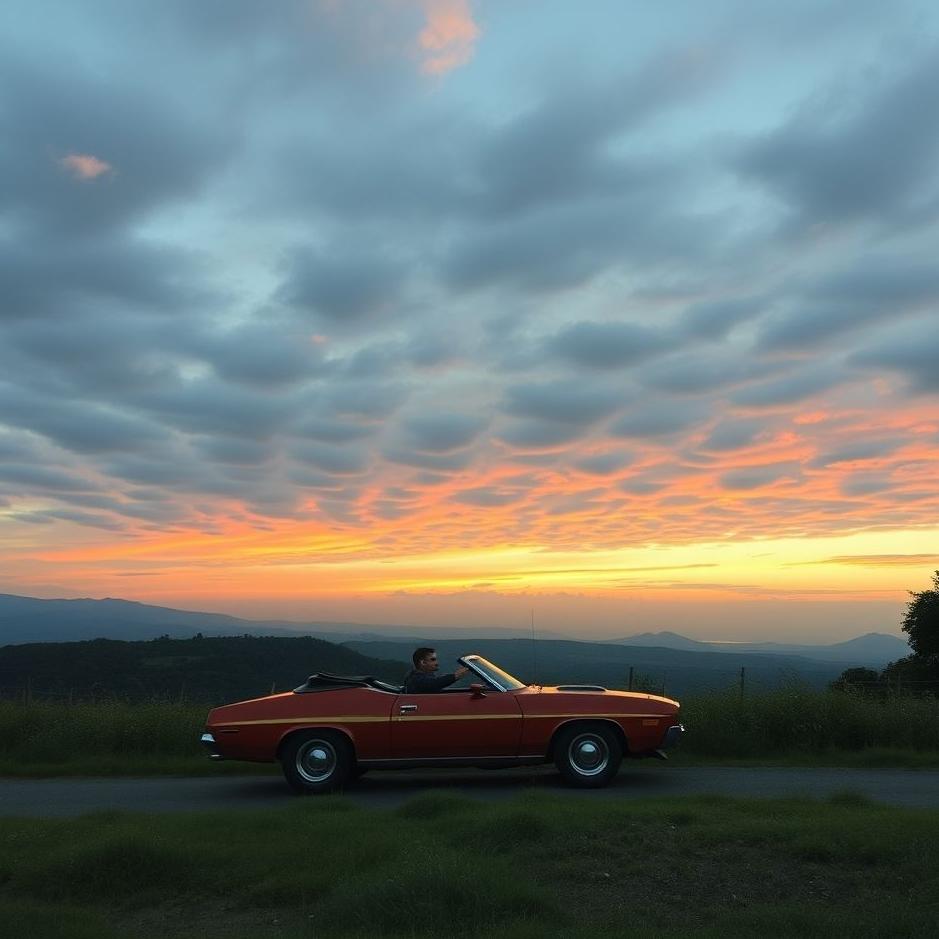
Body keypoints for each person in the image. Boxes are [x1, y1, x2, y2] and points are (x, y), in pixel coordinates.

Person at [403, 647, 469, 693]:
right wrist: (456, 676)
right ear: (423, 662)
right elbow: (434, 683)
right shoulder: (416, 679)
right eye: (433, 660)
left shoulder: (418, 676)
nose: (437, 663)